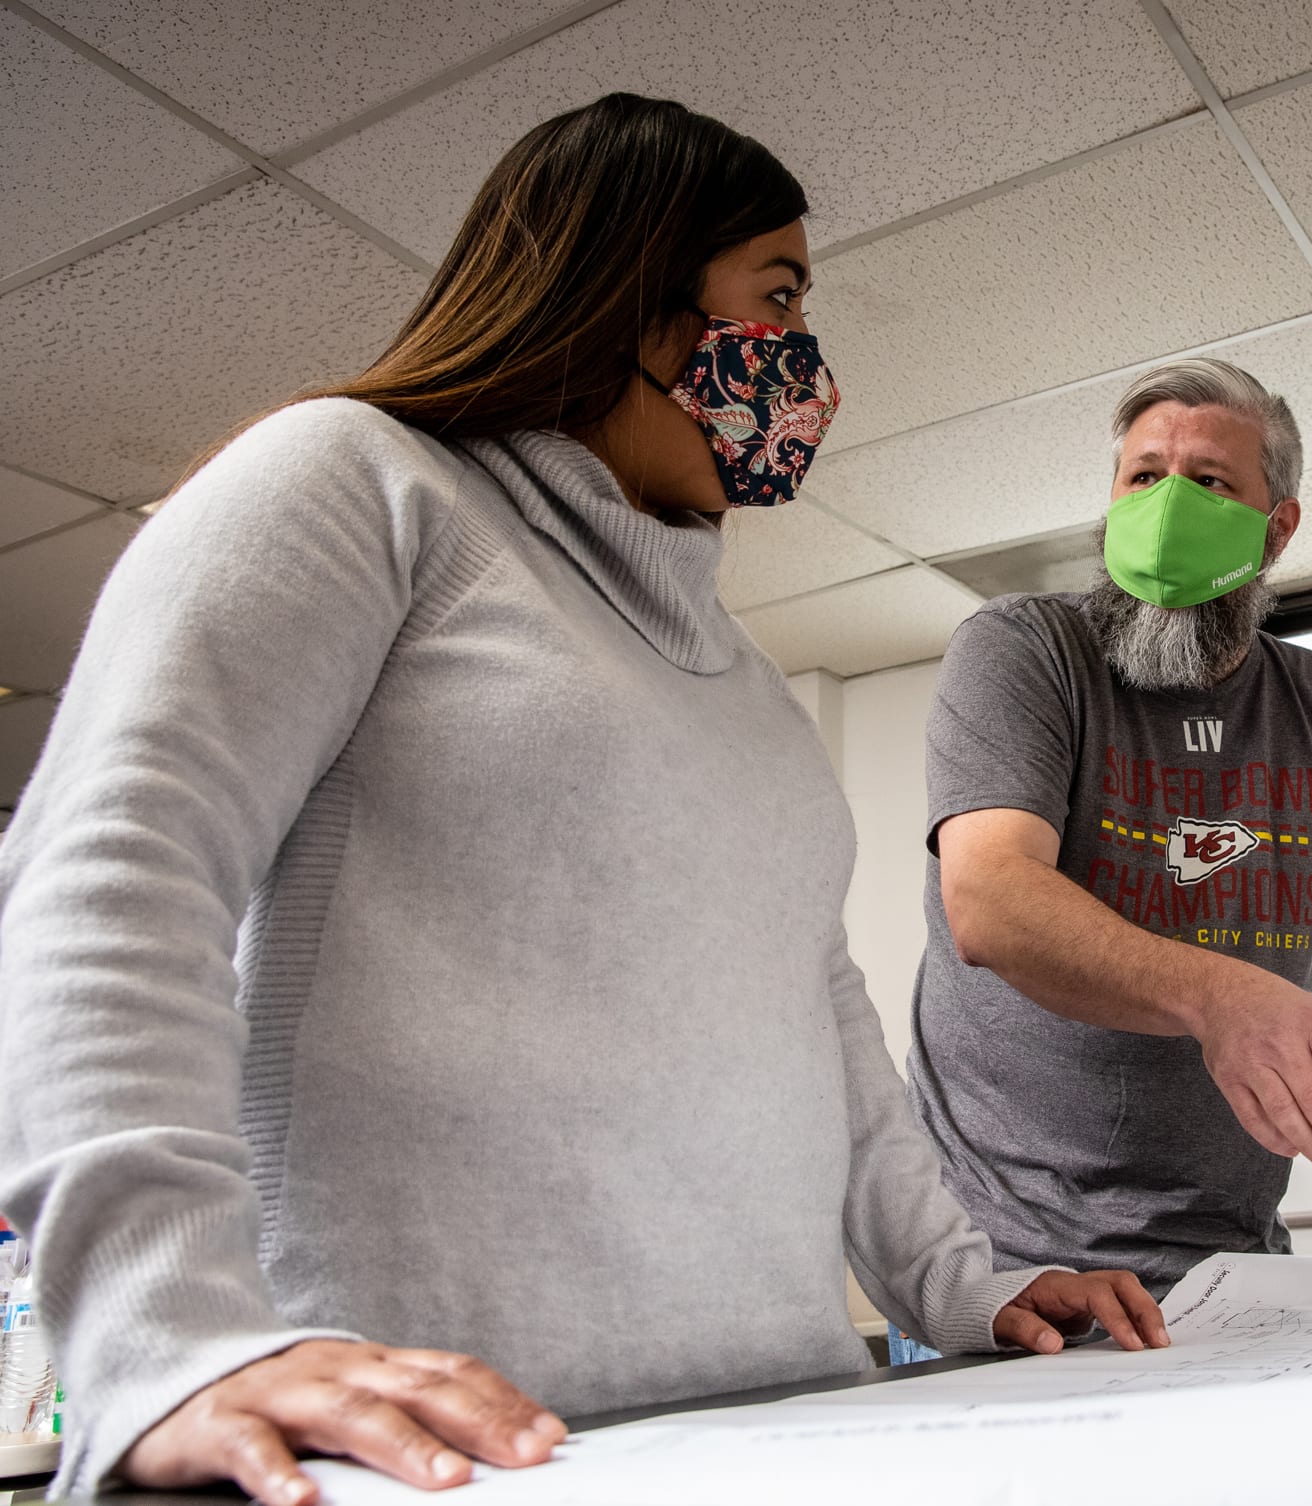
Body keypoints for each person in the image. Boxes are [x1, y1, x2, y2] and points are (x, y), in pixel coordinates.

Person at [0, 94, 1165, 1505]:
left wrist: (960, 1281)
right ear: (631, 290)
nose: (808, 368)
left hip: (769, 1430)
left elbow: (829, 1022)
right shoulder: (355, 479)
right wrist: (166, 1334)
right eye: (780, 297)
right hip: (423, 1459)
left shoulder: (747, 684)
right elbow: (110, 869)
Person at [897, 356, 1312, 1344]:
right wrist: (1219, 995)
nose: (1166, 504)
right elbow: (990, 900)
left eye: (1207, 482)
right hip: (1011, 1275)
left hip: (1232, 1273)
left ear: (1275, 525)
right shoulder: (1023, 649)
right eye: (1141, 476)